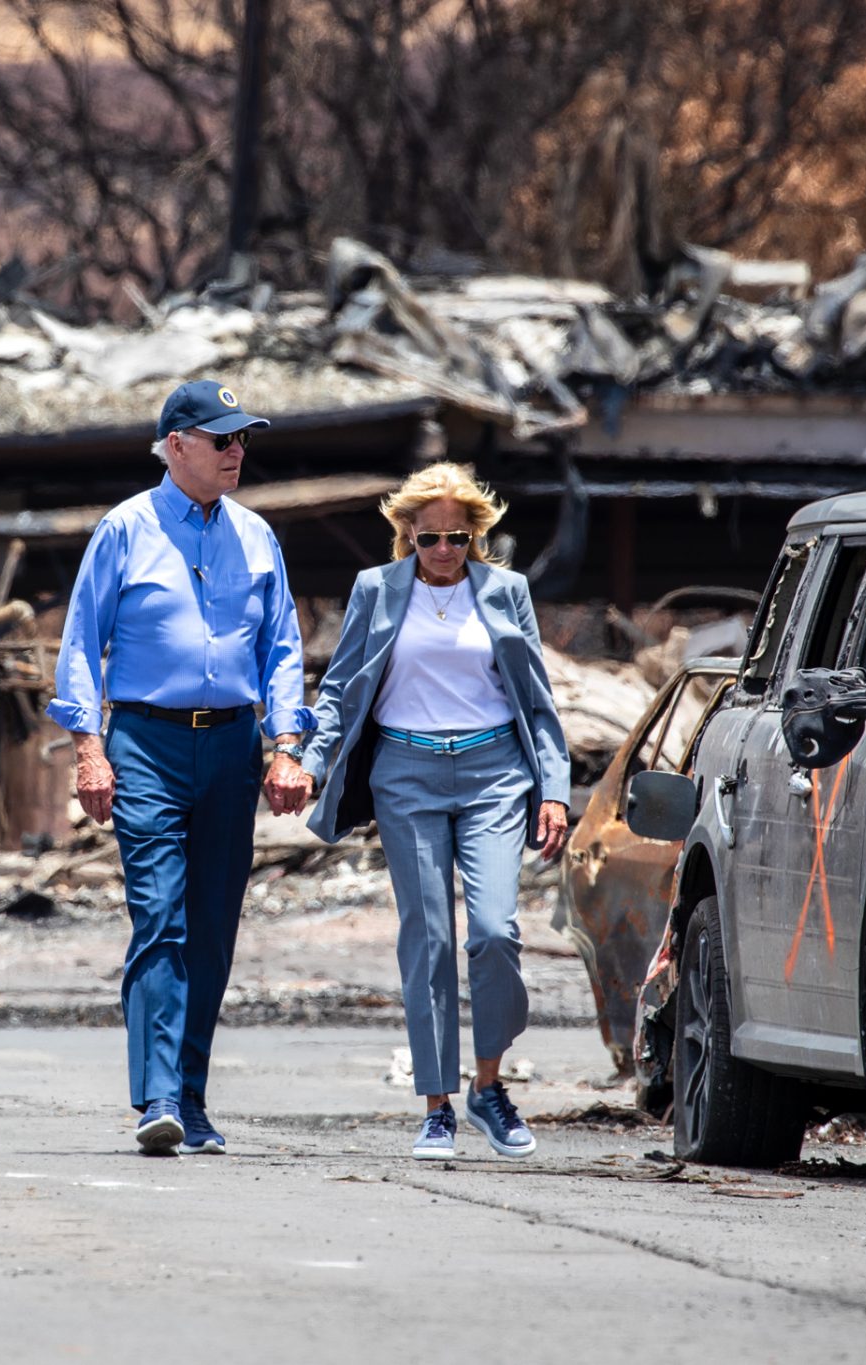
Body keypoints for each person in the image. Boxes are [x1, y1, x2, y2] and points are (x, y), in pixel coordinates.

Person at [49, 379, 313, 1155]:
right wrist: (89, 748)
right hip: (146, 744)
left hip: (231, 745)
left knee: (214, 931)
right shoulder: (124, 529)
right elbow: (79, 643)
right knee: (160, 917)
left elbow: (284, 649)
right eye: (222, 439)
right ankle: (158, 1095)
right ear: (175, 445)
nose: (237, 452)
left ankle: (191, 1097)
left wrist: (288, 745)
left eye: (243, 439)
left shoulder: (258, 536)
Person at [293, 463, 570, 1160]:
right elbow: (340, 691)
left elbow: (536, 700)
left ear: (475, 534)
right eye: (429, 539)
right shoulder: (376, 591)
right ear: (406, 534)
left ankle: (488, 1086)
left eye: (455, 536)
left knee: (494, 930)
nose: (443, 550)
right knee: (430, 941)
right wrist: (310, 760)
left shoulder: (506, 592)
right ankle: (437, 1105)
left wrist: (557, 788)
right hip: (406, 773)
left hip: (493, 773)